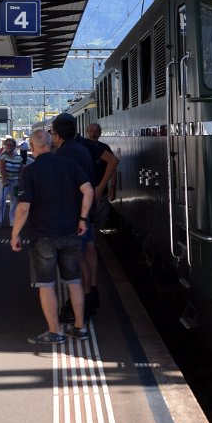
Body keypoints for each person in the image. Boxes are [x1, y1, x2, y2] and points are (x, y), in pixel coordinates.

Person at [10, 127, 94, 345]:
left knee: (46, 284)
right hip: (70, 233)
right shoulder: (69, 165)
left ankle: (55, 332)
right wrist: (83, 219)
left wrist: (15, 234)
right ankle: (80, 327)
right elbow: (88, 191)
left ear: (33, 146)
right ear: (51, 143)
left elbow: (23, 207)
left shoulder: (30, 171)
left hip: (43, 236)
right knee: (74, 281)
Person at [50, 113, 96, 324]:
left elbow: (62, 188)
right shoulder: (82, 150)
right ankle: (88, 299)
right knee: (83, 258)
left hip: (72, 216)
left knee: (74, 264)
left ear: (57, 135)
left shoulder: (62, 155)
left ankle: (80, 307)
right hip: (85, 214)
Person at [82, 122, 119, 312]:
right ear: (86, 132)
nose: (94, 134)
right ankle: (91, 249)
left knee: (98, 222)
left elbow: (113, 166)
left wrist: (111, 186)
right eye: (91, 131)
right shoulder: (84, 148)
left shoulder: (104, 149)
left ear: (100, 133)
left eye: (97, 132)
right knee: (90, 225)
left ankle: (92, 246)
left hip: (101, 193)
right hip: (88, 194)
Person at [0, 136, 21, 226]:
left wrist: (20, 180)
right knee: (1, 200)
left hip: (15, 181)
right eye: (7, 145)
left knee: (14, 201)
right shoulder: (3, 156)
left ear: (14, 146)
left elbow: (21, 169)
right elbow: (2, 169)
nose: (9, 146)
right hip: (4, 181)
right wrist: (5, 180)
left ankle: (12, 220)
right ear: (5, 146)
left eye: (11, 145)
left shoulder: (18, 157)